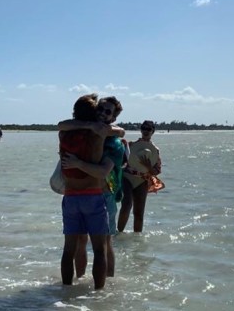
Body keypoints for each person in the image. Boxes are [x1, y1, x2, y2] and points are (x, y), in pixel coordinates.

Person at [58, 96, 127, 278]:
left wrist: (77, 163)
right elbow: (61, 125)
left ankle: (108, 283)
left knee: (106, 242)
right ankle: (80, 279)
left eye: (107, 112)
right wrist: (90, 125)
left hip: (106, 194)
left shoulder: (113, 141)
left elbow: (103, 172)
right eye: (100, 109)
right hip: (86, 194)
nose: (102, 113)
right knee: (81, 241)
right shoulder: (84, 130)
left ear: (113, 118)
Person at [117, 120, 162, 233]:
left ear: (153, 131)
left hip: (142, 180)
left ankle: (137, 240)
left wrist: (148, 166)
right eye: (144, 128)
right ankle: (118, 235)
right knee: (126, 205)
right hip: (127, 177)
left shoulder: (155, 151)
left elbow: (156, 171)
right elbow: (121, 162)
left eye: (149, 129)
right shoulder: (131, 145)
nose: (146, 131)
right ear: (141, 130)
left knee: (139, 213)